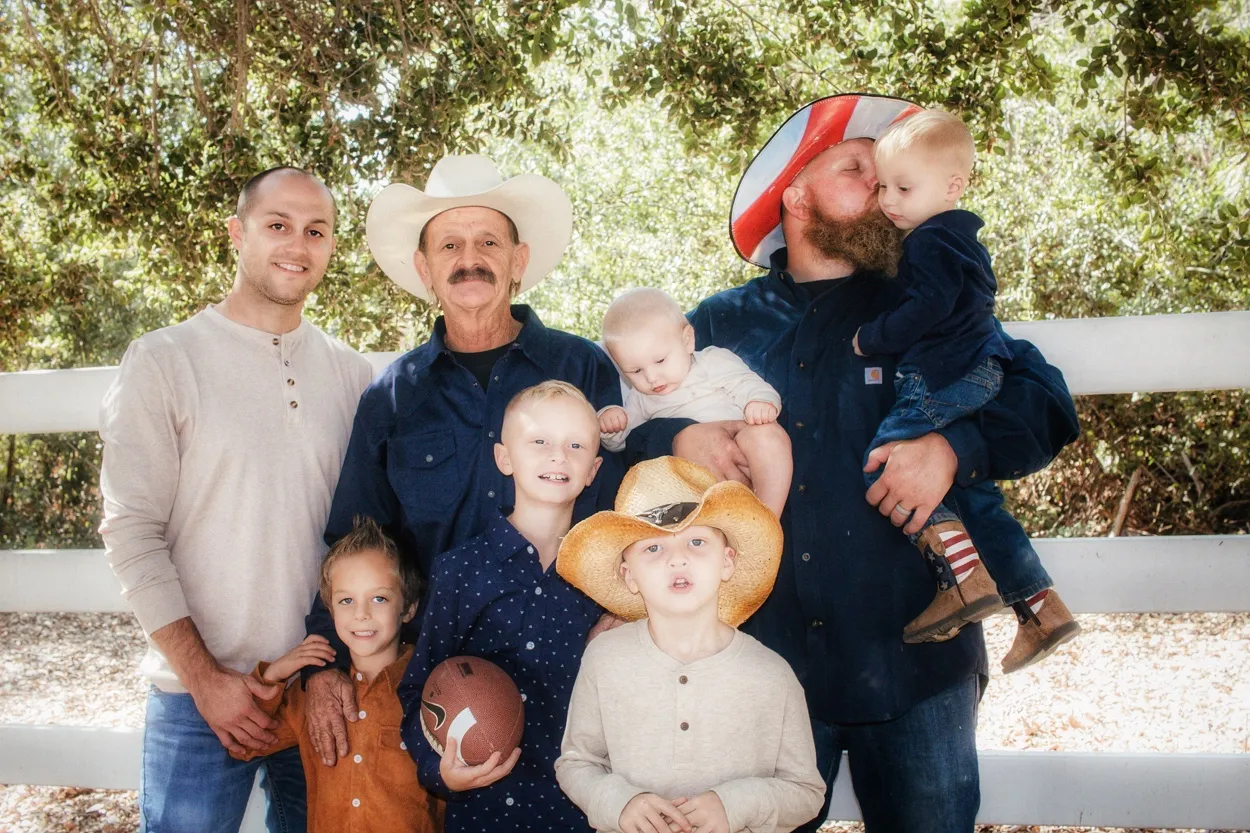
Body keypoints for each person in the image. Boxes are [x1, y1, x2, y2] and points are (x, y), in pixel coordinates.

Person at [627, 94, 1081, 832]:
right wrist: (676, 441)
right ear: (793, 194)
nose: (879, 186)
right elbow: (622, 439)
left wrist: (952, 449)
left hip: (915, 662)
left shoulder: (929, 300)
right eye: (856, 168)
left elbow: (1045, 401)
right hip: (757, 666)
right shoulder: (716, 323)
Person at [302, 155, 625, 766]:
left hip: (578, 669)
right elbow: (353, 540)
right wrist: (324, 661)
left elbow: (635, 507)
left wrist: (624, 610)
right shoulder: (393, 397)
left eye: (487, 242)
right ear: (425, 268)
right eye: (449, 244)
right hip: (439, 684)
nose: (468, 258)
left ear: (518, 261)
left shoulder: (583, 370)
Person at [99, 167, 375, 832]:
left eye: (316, 230)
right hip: (197, 697)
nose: (296, 243)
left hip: (321, 695)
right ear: (237, 233)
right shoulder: (165, 360)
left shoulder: (353, 374)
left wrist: (335, 669)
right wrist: (204, 679)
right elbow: (131, 529)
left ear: (332, 246)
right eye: (277, 224)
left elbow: (364, 541)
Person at [851, 107, 1080, 667]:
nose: (885, 198)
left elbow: (925, 308)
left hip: (944, 375)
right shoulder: (960, 242)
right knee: (977, 500)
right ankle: (1039, 608)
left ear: (952, 186)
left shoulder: (929, 244)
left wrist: (871, 337)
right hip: (974, 370)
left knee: (886, 460)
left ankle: (962, 579)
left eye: (902, 186)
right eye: (882, 185)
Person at [555, 456, 825, 833]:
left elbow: (806, 792)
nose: (677, 559)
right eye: (653, 548)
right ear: (628, 575)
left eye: (696, 541)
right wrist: (620, 803)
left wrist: (735, 805)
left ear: (727, 561)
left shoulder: (771, 675)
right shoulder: (604, 658)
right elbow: (576, 762)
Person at [397, 381, 608, 832]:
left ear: (593, 469)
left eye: (575, 444)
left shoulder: (607, 578)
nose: (558, 456)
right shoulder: (461, 571)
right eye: (539, 441)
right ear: (504, 458)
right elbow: (419, 691)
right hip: (487, 811)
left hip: (583, 813)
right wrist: (442, 772)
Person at [231, 516, 443, 832]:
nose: (361, 613)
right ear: (330, 610)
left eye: (379, 598)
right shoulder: (309, 695)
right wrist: (274, 675)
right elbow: (244, 744)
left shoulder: (434, 689)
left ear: (409, 608)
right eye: (346, 600)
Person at [598, 287, 792, 517]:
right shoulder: (641, 398)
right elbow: (623, 440)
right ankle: (724, 526)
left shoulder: (713, 361)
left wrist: (760, 402)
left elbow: (748, 384)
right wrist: (611, 425)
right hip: (694, 483)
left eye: (660, 360)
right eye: (636, 370)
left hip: (744, 448)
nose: (651, 377)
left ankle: (769, 517)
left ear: (687, 340)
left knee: (766, 435)